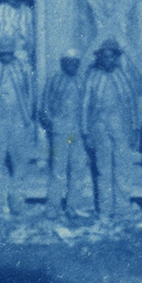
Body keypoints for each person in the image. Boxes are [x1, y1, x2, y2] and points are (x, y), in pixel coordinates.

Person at [81, 39, 141, 217]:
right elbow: (85, 106)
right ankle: (105, 209)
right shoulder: (92, 77)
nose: (108, 60)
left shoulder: (123, 76)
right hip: (99, 127)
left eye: (111, 56)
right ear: (100, 58)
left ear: (116, 58)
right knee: (103, 168)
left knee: (122, 167)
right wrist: (85, 132)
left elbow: (132, 104)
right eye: (104, 57)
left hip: (121, 127)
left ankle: (122, 207)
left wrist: (135, 129)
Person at [0, 38, 37, 216]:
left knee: (19, 162)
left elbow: (31, 93)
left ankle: (17, 203)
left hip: (18, 119)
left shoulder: (23, 68)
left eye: (9, 54)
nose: (6, 57)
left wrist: (28, 116)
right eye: (3, 54)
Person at [41, 49, 89, 215]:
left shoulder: (83, 80)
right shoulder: (54, 80)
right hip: (60, 130)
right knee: (58, 168)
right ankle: (53, 206)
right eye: (68, 62)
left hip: (78, 131)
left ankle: (73, 205)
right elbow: (45, 104)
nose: (71, 65)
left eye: (75, 62)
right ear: (63, 63)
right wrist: (51, 122)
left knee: (78, 168)